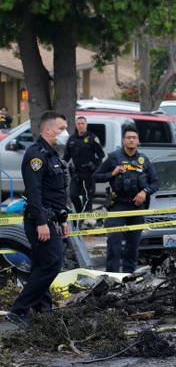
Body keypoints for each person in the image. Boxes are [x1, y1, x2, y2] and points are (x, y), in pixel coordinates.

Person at [6, 111, 70, 328]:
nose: (65, 133)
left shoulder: (52, 155)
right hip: (39, 220)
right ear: (49, 130)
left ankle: (43, 311)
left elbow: (56, 193)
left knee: (42, 265)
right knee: (52, 264)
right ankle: (18, 310)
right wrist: (42, 222)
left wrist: (63, 219)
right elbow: (34, 193)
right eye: (62, 129)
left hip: (52, 219)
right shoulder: (36, 155)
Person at [94, 125, 159, 273]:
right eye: (128, 137)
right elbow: (96, 176)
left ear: (138, 141)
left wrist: (144, 192)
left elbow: (155, 183)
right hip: (118, 205)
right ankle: (112, 276)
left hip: (137, 206)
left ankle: (130, 276)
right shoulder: (114, 158)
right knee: (114, 243)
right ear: (123, 140)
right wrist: (113, 173)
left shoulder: (144, 160)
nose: (131, 140)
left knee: (133, 244)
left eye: (134, 138)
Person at [63, 115, 105, 213]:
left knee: (87, 199)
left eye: (82, 123)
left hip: (89, 173)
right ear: (76, 125)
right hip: (76, 173)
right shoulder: (72, 139)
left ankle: (85, 219)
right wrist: (60, 165)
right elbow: (66, 156)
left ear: (86, 125)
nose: (81, 125)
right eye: (79, 124)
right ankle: (79, 214)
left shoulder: (92, 138)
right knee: (73, 195)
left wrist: (96, 167)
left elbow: (101, 155)